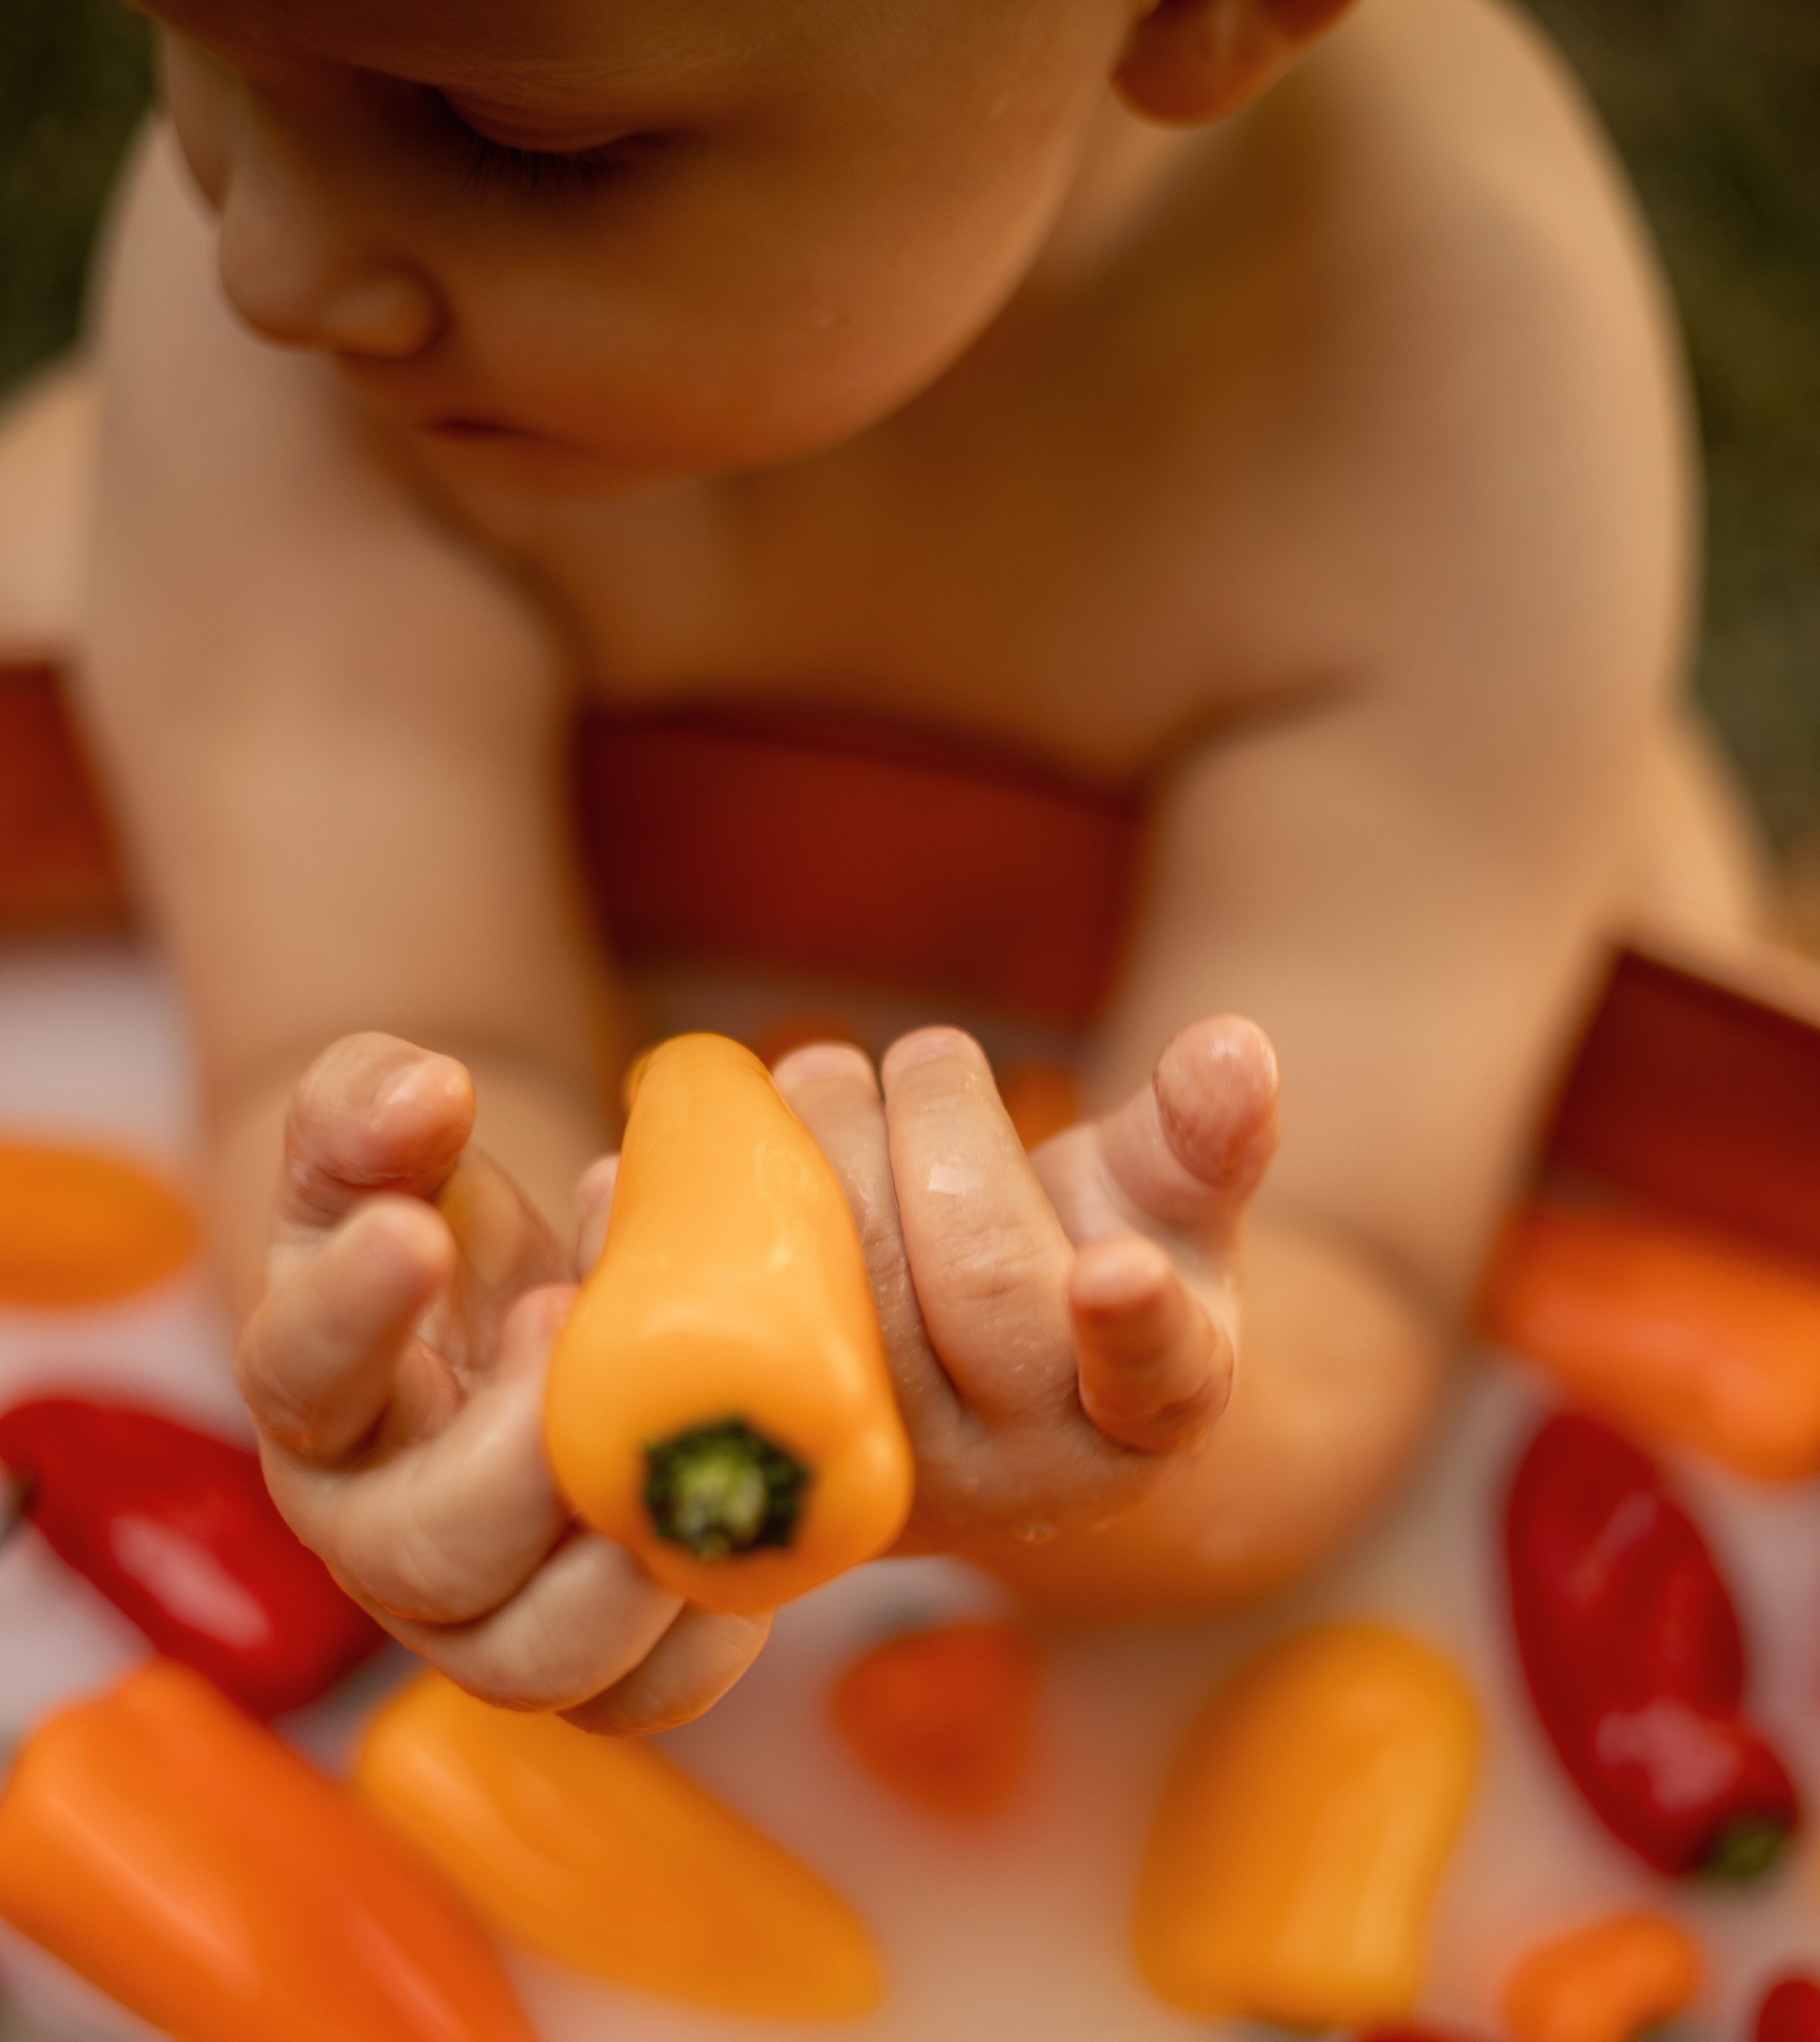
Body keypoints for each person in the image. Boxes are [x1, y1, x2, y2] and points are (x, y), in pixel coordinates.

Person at [0, 0, 1773, 1731]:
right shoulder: (301, 288)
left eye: (518, 141)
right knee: (55, 569)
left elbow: (1341, 1260)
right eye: (207, 57)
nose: (267, 271)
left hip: (1336, 857)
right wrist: (474, 1361)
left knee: (1661, 924)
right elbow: (366, 1039)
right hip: (426, 730)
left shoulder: (1447, 391)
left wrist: (1117, 1410)